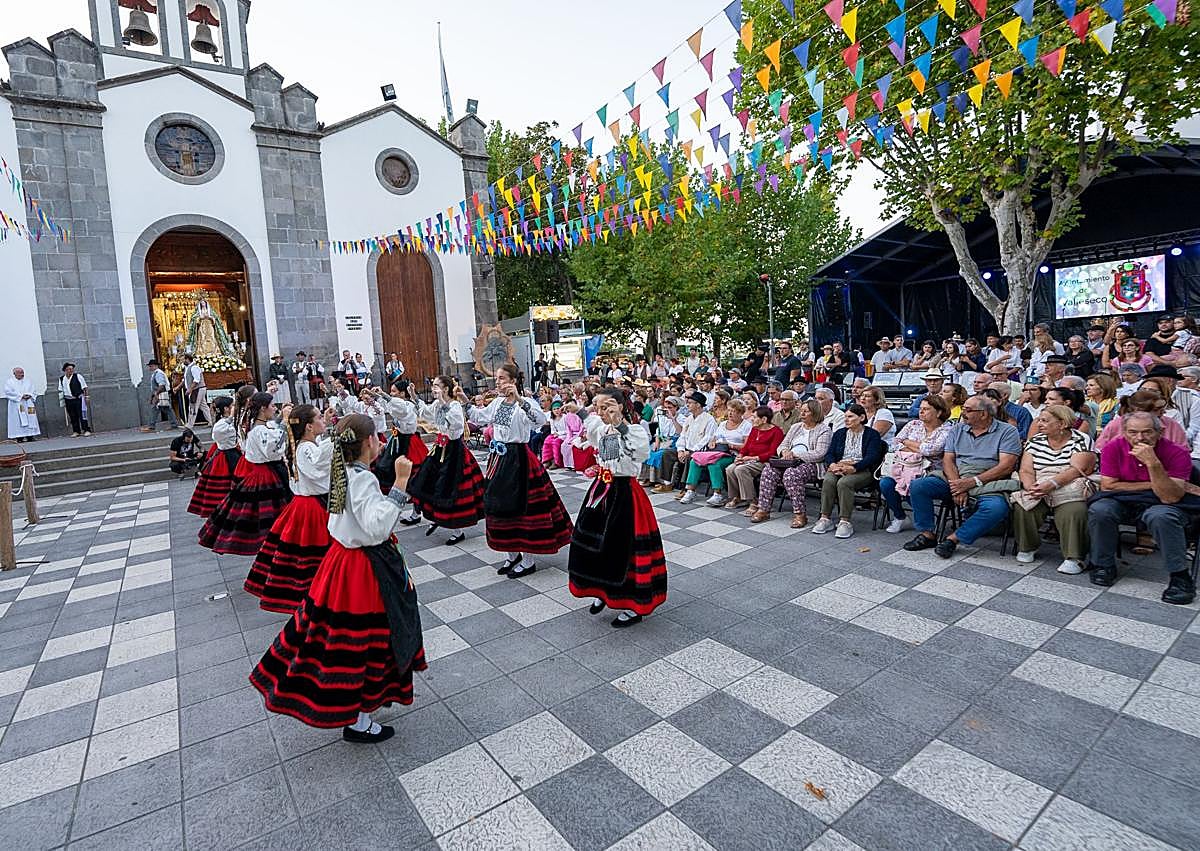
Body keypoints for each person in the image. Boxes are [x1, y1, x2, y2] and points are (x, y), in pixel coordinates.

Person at [250, 414, 427, 743]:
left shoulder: (343, 471)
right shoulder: (361, 479)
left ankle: (358, 710)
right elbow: (376, 527)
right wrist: (400, 484)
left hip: (343, 561)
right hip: (362, 568)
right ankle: (359, 718)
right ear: (366, 442)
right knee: (367, 638)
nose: (379, 441)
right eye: (375, 436)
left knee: (339, 633)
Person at [568, 387, 667, 628]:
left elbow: (641, 453)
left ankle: (631, 604)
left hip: (624, 493)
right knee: (591, 542)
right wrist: (579, 410)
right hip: (601, 490)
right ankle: (603, 590)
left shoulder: (633, 430)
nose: (601, 412)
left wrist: (620, 424)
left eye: (607, 407)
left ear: (621, 406)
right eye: (599, 407)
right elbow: (592, 428)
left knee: (621, 547)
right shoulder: (603, 429)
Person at [466, 364, 573, 578]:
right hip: (499, 458)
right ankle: (511, 553)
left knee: (524, 508)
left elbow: (540, 421)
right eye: (497, 378)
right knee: (499, 506)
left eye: (502, 378)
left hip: (519, 459)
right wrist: (463, 400)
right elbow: (479, 417)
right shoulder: (496, 402)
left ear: (513, 381)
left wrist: (521, 400)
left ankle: (529, 559)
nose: (498, 382)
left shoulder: (525, 404)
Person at [1088, 411, 1196, 604]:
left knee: (1162, 517)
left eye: (1147, 432)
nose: (1140, 438)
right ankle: (1102, 564)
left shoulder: (1177, 452)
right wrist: (1154, 483)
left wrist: (1152, 463)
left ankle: (1180, 577)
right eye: (1133, 432)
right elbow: (1109, 485)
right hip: (1123, 499)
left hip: (1161, 502)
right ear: (1124, 431)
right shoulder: (1113, 447)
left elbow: (1170, 496)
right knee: (1101, 510)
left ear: (1159, 432)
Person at [903, 396, 1021, 558]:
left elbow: (1005, 466)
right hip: (956, 476)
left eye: (968, 410)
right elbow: (948, 459)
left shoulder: (1007, 431)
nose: (962, 413)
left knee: (997, 507)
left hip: (988, 479)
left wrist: (972, 482)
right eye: (963, 409)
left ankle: (954, 539)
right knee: (919, 486)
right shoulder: (958, 429)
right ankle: (927, 534)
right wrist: (957, 486)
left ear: (984, 414)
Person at [245, 404, 336, 613]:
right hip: (311, 507)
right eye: (320, 418)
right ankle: (318, 592)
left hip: (309, 503)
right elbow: (317, 469)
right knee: (313, 553)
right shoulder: (305, 448)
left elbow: (318, 454)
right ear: (309, 427)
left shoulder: (306, 444)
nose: (323, 419)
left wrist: (330, 429)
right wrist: (336, 438)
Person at [198, 392, 292, 555]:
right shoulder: (256, 429)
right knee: (269, 513)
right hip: (266, 473)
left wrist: (279, 421)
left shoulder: (256, 426)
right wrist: (283, 422)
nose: (274, 408)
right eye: (272, 405)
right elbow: (271, 447)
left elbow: (271, 432)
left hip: (269, 470)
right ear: (263, 408)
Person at [1010, 405, 1096, 575]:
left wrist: (1052, 484)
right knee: (1025, 505)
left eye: (1044, 420)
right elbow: (1026, 470)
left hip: (1067, 483)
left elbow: (1076, 470)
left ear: (1062, 424)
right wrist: (1031, 487)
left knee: (1074, 510)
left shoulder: (1081, 439)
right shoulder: (1036, 441)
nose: (1039, 424)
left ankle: (1074, 557)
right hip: (1039, 481)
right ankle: (1027, 547)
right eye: (1039, 420)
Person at [407, 375, 485, 545]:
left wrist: (443, 402)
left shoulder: (454, 405)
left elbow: (456, 424)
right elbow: (426, 414)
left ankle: (458, 530)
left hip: (454, 450)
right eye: (433, 385)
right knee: (428, 480)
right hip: (440, 448)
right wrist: (413, 395)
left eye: (437, 386)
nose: (434, 389)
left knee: (451, 486)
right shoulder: (437, 404)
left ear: (446, 389)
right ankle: (436, 515)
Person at [750, 399, 831, 527]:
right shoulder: (796, 427)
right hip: (788, 461)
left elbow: (820, 453)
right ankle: (764, 509)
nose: (802, 414)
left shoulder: (823, 430)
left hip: (811, 464)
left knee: (791, 474)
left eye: (806, 411)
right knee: (768, 471)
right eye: (801, 411)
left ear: (815, 413)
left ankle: (800, 514)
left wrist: (795, 454)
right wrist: (785, 451)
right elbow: (782, 445)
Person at [881, 395, 954, 533]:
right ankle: (900, 517)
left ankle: (925, 518)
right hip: (905, 466)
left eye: (926, 409)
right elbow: (894, 444)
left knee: (914, 483)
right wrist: (917, 447)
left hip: (931, 471)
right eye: (920, 408)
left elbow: (932, 450)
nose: (921, 412)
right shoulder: (913, 424)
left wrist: (906, 443)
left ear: (939, 412)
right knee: (886, 483)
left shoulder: (947, 430)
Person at [812, 403, 885, 539]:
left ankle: (845, 521)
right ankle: (825, 518)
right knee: (828, 480)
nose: (846, 420)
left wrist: (854, 467)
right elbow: (829, 453)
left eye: (850, 417)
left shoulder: (872, 434)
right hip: (839, 466)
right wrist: (833, 464)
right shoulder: (840, 433)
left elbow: (872, 456)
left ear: (861, 417)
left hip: (862, 469)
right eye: (845, 416)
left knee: (844, 483)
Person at [723, 406, 784, 510]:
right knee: (730, 469)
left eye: (755, 417)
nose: (752, 419)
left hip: (763, 461)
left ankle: (752, 500)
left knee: (741, 469)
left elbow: (773, 452)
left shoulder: (776, 431)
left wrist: (755, 458)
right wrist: (740, 456)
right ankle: (737, 497)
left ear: (764, 419)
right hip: (748, 459)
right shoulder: (755, 429)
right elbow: (746, 447)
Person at [188, 396, 239, 517]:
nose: (235, 408)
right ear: (226, 409)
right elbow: (216, 435)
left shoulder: (232, 421)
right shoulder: (221, 424)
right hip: (228, 456)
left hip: (234, 454)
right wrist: (231, 417)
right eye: (232, 406)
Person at [141, 358, 177, 433]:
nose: (149, 367)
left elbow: (161, 385)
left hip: (161, 394)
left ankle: (152, 426)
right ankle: (173, 424)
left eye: (150, 366)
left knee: (157, 409)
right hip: (161, 394)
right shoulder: (156, 373)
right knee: (165, 409)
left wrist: (156, 394)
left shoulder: (158, 373)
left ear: (154, 366)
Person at [4, 367, 39, 443]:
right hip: (17, 404)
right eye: (19, 372)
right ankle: (19, 437)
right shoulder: (10, 382)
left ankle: (30, 436)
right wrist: (21, 396)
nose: (22, 374)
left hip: (28, 403)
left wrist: (30, 395)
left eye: (22, 372)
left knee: (31, 418)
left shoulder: (28, 381)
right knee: (18, 420)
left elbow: (33, 390)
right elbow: (8, 392)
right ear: (14, 374)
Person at [59, 362, 91, 436]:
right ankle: (76, 431)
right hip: (68, 400)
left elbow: (85, 387)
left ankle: (86, 429)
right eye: (69, 369)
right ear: (65, 370)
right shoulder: (61, 379)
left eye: (72, 369)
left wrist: (87, 396)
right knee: (72, 416)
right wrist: (62, 401)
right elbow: (61, 390)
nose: (71, 370)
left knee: (82, 414)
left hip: (78, 399)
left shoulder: (78, 376)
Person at [183, 353, 213, 427]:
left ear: (187, 359)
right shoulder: (188, 368)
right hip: (198, 389)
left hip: (197, 389)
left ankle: (190, 424)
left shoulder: (194, 368)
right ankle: (211, 421)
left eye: (183, 359)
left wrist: (190, 389)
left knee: (193, 406)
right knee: (204, 406)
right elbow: (186, 380)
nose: (182, 361)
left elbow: (196, 380)